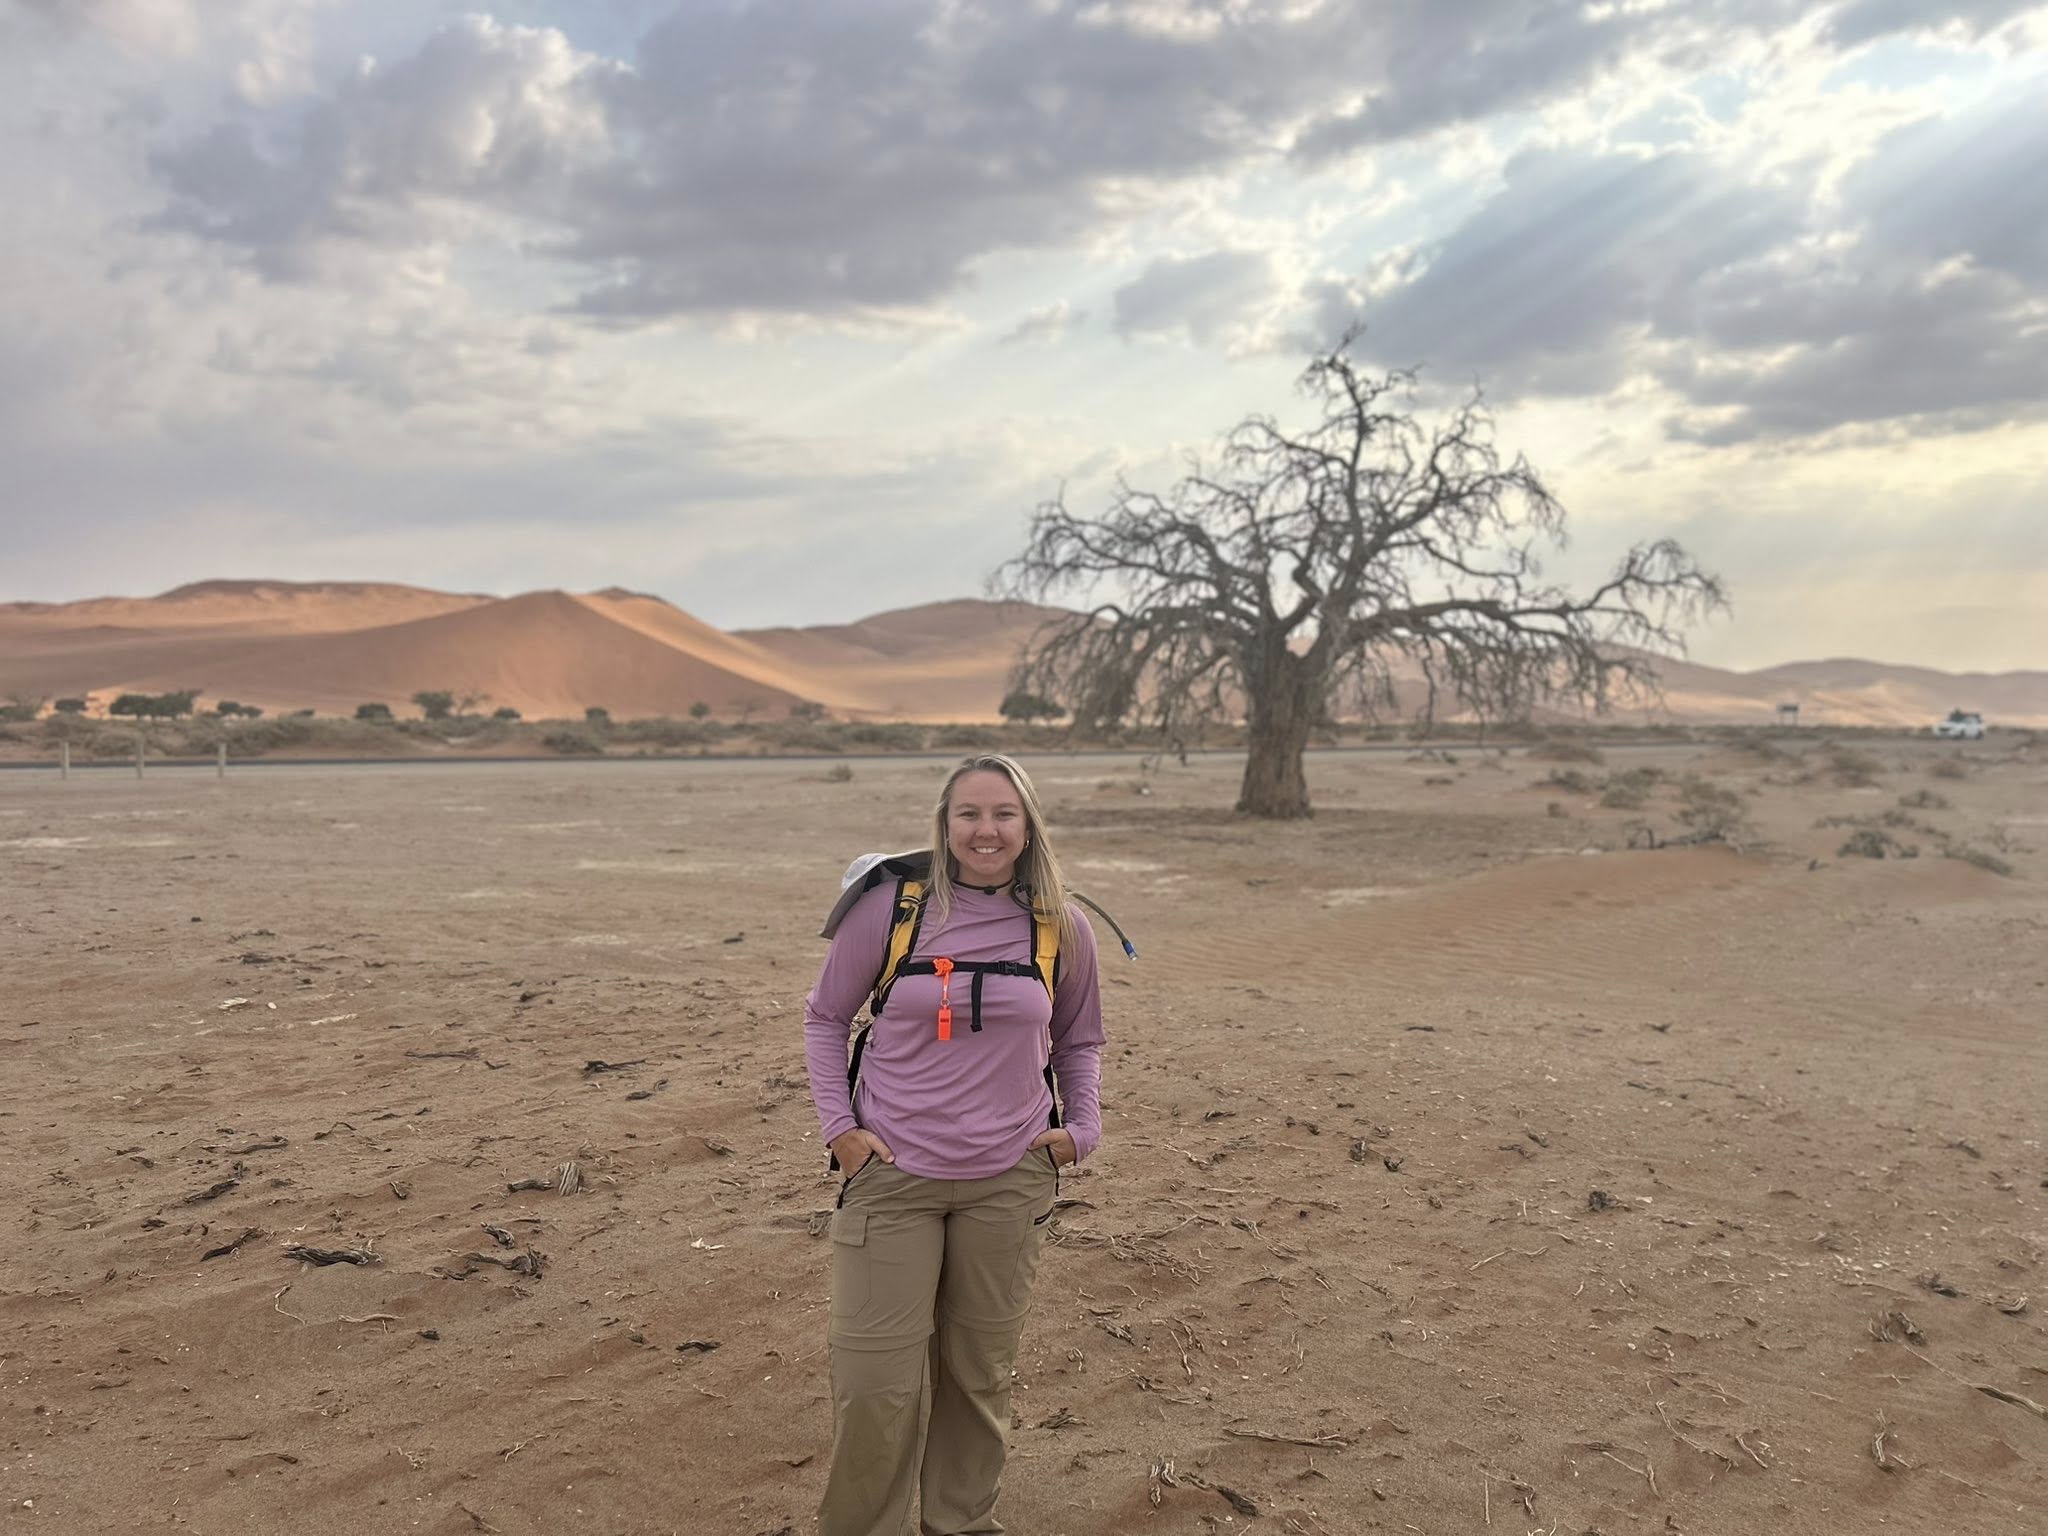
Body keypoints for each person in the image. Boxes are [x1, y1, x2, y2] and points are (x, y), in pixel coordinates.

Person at [804, 753, 1105, 1536]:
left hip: (1009, 1178)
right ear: (943, 824)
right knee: (876, 1384)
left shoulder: (1059, 921)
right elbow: (825, 1018)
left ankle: (959, 1524)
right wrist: (842, 1132)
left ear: (1028, 825)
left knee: (977, 1378)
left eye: (1004, 814)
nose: (986, 831)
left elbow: (1080, 1038)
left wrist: (1081, 1130)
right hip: (892, 1177)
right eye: (969, 814)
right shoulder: (891, 909)